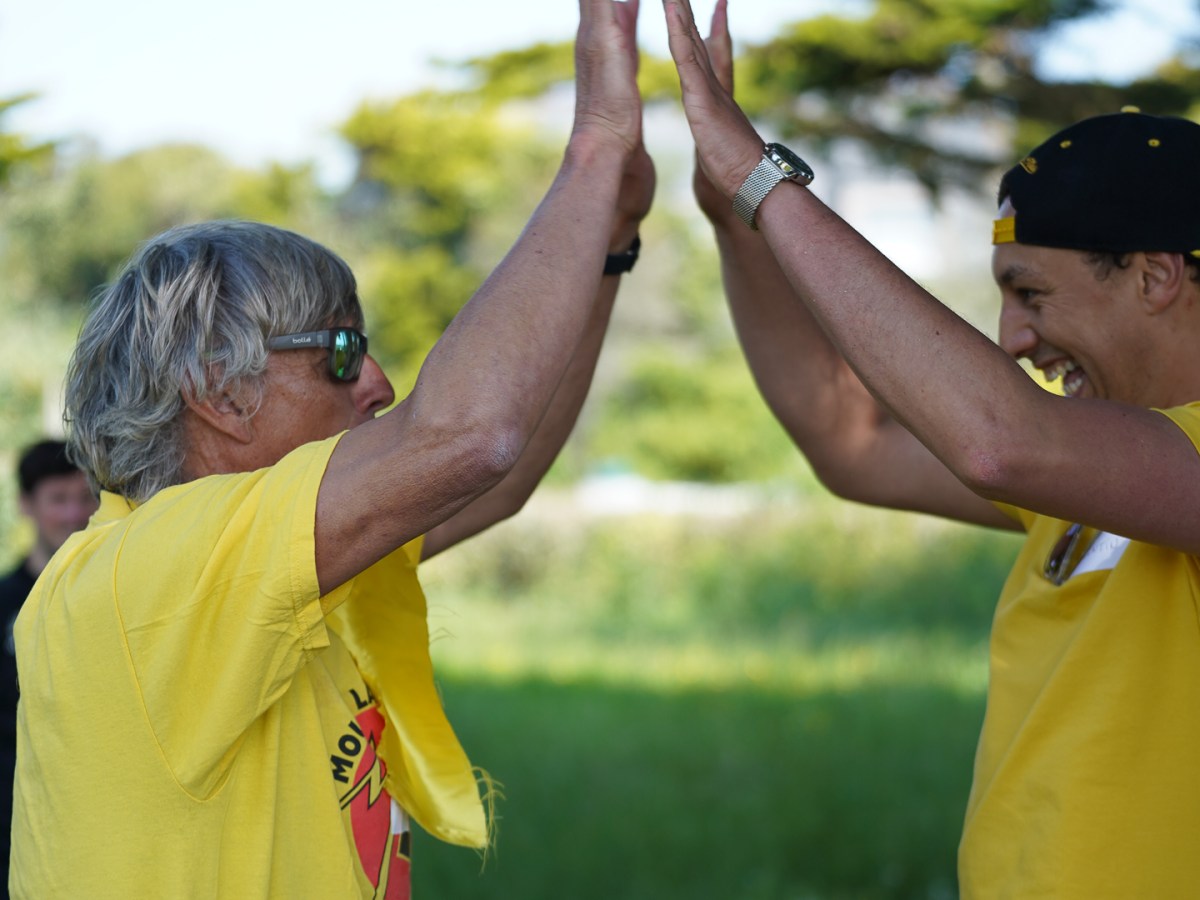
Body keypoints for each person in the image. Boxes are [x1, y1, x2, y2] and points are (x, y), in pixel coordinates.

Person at [9, 1, 654, 896]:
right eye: (342, 350)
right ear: (222, 390)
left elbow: (496, 471)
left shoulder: (270, 566)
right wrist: (596, 146)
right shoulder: (143, 580)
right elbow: (467, 434)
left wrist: (610, 239)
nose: (379, 383)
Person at [661, 0, 1200, 895]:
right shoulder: (1093, 470)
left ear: (1154, 274)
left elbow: (1000, 442)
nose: (1014, 339)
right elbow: (854, 439)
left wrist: (762, 180)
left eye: (1031, 293)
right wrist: (735, 219)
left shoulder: (1089, 458)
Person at [0, 440, 96, 897]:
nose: (75, 514)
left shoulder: (114, 594)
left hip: (93, 826)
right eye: (58, 499)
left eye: (85, 497)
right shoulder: (3, 603)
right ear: (26, 505)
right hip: (11, 825)